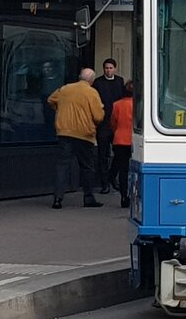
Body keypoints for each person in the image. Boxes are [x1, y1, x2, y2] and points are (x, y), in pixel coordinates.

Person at [48, 68, 105, 209]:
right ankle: (88, 197)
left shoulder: (65, 89)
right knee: (87, 166)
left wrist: (59, 109)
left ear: (79, 77)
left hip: (64, 131)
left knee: (62, 166)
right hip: (84, 134)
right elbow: (98, 116)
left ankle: (58, 198)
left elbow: (51, 100)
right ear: (91, 81)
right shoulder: (91, 92)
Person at [92, 59, 126, 194]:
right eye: (106, 68)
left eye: (111, 68)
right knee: (103, 154)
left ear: (115, 69)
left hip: (117, 123)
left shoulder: (119, 81)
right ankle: (104, 183)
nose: (108, 70)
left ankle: (112, 177)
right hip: (104, 122)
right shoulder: (98, 83)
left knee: (119, 154)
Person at [109, 81, 134, 207]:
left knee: (123, 170)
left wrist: (117, 132)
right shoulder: (139, 105)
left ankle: (124, 196)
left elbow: (113, 122)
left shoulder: (116, 105)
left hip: (120, 139)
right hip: (133, 140)